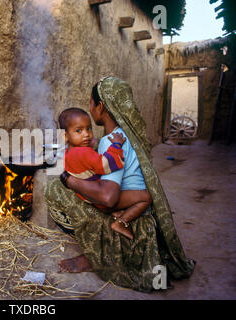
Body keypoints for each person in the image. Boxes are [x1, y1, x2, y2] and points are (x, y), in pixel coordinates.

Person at [44, 76, 195, 292]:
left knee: (56, 189)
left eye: (91, 103)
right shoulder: (127, 135)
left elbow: (108, 197)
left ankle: (100, 254)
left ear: (101, 106)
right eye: (79, 131)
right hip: (139, 208)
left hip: (128, 211)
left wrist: (71, 181)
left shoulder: (111, 141)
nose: (86, 133)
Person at [59, 108, 152, 240]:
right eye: (79, 131)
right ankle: (121, 223)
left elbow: (84, 161)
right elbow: (106, 164)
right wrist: (116, 145)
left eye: (89, 129)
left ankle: (118, 213)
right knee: (146, 197)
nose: (86, 134)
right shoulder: (83, 153)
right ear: (65, 136)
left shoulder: (68, 152)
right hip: (101, 201)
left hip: (90, 198)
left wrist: (90, 145)